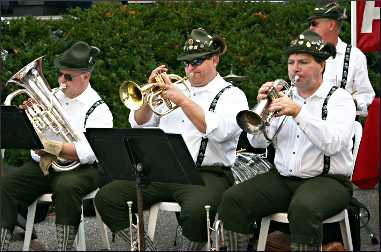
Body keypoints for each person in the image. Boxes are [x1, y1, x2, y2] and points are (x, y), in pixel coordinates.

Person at [95, 28, 249, 250]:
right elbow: (138, 123)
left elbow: (221, 132)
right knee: (108, 197)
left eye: (196, 62)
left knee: (198, 210)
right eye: (186, 63)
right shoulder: (175, 90)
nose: (190, 69)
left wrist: (184, 101)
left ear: (215, 59)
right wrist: (147, 98)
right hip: (164, 170)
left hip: (206, 173)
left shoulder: (231, 95)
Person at [218, 30, 356, 251]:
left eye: (303, 62)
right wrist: (262, 109)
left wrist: (298, 113)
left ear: (321, 65)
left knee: (304, 208)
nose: (295, 68)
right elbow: (257, 144)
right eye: (291, 62)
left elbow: (334, 143)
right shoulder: (284, 97)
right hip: (282, 178)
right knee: (233, 199)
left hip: (329, 180)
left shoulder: (339, 99)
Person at [0, 41, 113, 251]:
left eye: (68, 77)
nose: (62, 81)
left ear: (86, 76)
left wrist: (51, 147)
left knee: (66, 186)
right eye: (60, 74)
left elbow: (88, 153)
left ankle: (63, 248)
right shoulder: (51, 97)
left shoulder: (99, 109)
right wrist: (31, 124)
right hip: (47, 165)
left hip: (84, 170)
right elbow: (37, 148)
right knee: (6, 185)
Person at [308, 1, 375, 115]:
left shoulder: (355, 56)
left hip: (342, 129)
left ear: (331, 25)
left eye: (315, 24)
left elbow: (366, 95)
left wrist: (349, 103)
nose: (310, 28)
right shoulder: (305, 53)